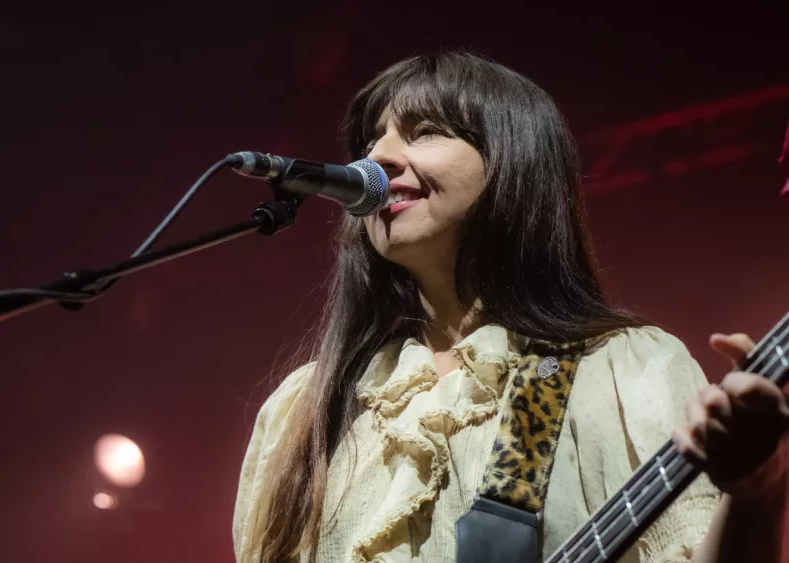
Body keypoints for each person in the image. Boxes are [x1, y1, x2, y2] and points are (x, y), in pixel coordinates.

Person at [232, 51, 789, 563]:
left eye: (424, 131)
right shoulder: (305, 407)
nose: (377, 157)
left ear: (510, 163)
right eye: (371, 141)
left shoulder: (624, 370)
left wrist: (757, 489)